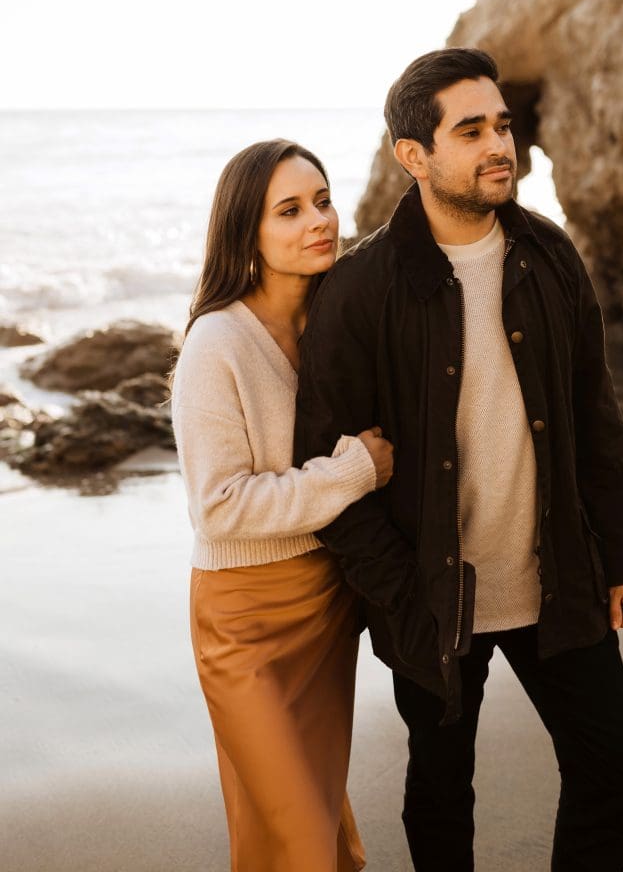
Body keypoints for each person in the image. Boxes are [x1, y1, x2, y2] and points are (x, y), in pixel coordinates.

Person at [294, 48, 623, 872]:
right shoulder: (360, 289)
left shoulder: (549, 254)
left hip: (555, 576)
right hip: (429, 595)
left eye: (501, 124)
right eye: (472, 130)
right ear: (413, 156)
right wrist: (398, 594)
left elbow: (594, 417)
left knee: (615, 762)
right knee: (439, 787)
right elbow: (323, 464)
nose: (500, 144)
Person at [172, 138, 393, 872]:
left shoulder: (332, 327)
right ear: (248, 232)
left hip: (323, 607)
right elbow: (219, 507)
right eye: (290, 210)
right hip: (243, 622)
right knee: (297, 833)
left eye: (323, 202)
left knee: (311, 829)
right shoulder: (217, 341)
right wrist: (353, 471)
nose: (319, 221)